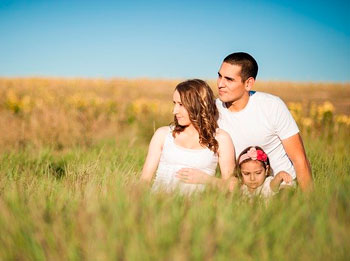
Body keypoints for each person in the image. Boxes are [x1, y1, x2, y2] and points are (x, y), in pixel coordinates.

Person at [176, 52, 313, 191]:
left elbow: (299, 159)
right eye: (219, 76)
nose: (220, 84)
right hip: (242, 191)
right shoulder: (212, 110)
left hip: (281, 188)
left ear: (248, 83)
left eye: (229, 79)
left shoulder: (272, 106)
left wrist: (309, 204)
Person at [139, 79, 235, 194]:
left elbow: (233, 186)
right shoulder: (163, 135)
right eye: (174, 103)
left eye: (181, 104)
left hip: (198, 208)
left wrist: (206, 179)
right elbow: (144, 182)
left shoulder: (221, 138)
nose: (175, 111)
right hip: (159, 205)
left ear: (199, 104)